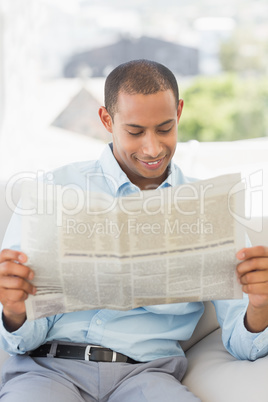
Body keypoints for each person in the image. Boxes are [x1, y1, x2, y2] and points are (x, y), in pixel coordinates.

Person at [0, 59, 268, 402]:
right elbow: (18, 340)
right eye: (135, 131)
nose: (153, 148)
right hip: (48, 371)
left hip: (147, 377)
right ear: (107, 120)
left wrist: (259, 305)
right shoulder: (52, 191)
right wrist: (14, 309)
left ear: (180, 112)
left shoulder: (209, 206)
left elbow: (245, 346)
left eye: (165, 128)